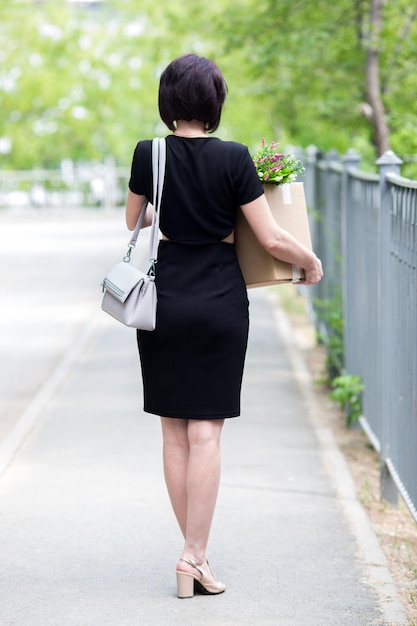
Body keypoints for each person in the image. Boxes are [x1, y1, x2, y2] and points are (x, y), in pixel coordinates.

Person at [125, 53, 323, 599]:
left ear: (168, 102)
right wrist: (308, 259)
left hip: (162, 299)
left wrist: (170, 205)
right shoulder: (235, 158)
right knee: (206, 431)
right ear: (215, 102)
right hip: (218, 300)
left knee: (172, 429)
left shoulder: (149, 154)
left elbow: (135, 220)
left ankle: (193, 555)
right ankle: (194, 556)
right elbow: (273, 239)